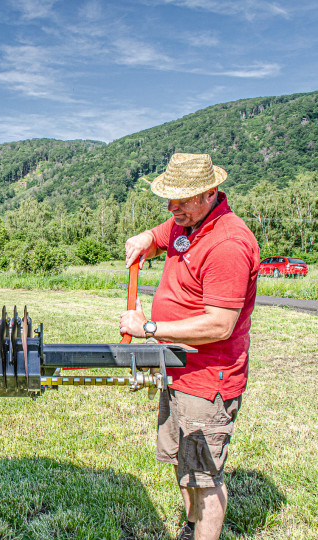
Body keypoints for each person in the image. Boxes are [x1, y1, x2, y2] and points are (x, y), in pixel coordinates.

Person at [119, 153, 260, 540]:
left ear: (210, 193)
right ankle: (193, 527)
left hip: (206, 379)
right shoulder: (190, 222)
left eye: (180, 199)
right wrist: (146, 238)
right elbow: (165, 232)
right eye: (170, 198)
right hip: (178, 370)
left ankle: (203, 531)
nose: (171, 207)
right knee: (185, 465)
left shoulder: (228, 244)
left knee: (204, 476)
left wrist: (148, 326)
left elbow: (220, 323)